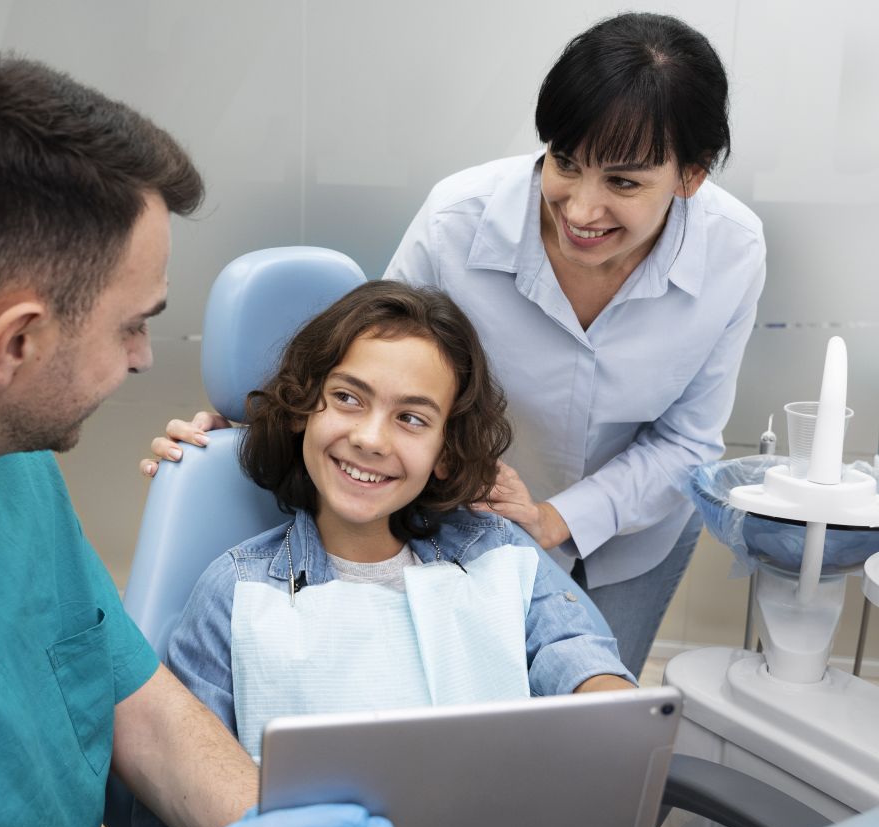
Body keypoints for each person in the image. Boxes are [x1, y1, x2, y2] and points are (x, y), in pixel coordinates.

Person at [0, 53, 396, 827]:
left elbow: (136, 701)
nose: (146, 357)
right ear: (17, 342)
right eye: (131, 325)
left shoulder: (11, 469)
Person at [146, 12, 766, 678]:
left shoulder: (733, 252)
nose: (582, 210)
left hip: (633, 536)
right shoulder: (458, 221)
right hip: (460, 527)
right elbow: (370, 365)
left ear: (690, 178)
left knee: (582, 701)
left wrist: (555, 518)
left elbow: (688, 441)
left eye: (623, 182)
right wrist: (245, 425)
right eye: (565, 162)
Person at [130, 281, 639, 827]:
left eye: (412, 418)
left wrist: (614, 740)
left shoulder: (499, 555)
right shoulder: (238, 593)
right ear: (300, 409)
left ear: (446, 452)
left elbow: (585, 672)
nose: (372, 438)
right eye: (347, 399)